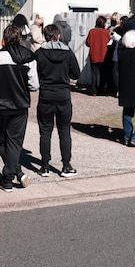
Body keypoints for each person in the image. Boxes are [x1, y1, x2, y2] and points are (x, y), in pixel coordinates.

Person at [0, 24, 39, 192]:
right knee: (14, 142)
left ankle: (8, 178)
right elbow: (34, 84)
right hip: (20, 105)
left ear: (4, 40)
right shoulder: (29, 56)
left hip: (1, 105)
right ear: (20, 38)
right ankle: (15, 173)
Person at [34, 24, 81, 177]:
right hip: (63, 95)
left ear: (45, 36)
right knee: (64, 130)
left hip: (46, 94)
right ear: (58, 35)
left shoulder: (40, 53)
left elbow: (34, 73)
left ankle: (45, 166)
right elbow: (76, 73)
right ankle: (66, 165)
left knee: (45, 131)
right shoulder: (67, 53)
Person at [85, 15, 111, 96]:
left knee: (94, 74)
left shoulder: (92, 31)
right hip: (104, 55)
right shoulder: (106, 32)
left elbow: (87, 43)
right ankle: (101, 89)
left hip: (94, 55)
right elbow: (109, 42)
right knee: (103, 74)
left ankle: (93, 91)